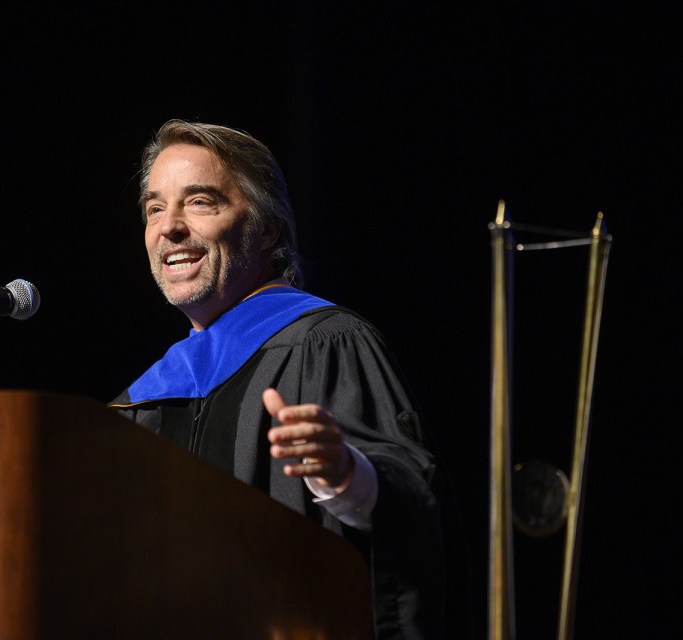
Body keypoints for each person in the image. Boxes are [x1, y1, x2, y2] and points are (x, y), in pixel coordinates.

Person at [109, 119, 470, 639]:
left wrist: (345, 474)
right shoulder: (139, 405)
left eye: (201, 202)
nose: (170, 226)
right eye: (155, 208)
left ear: (267, 228)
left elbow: (416, 501)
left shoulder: (326, 344)